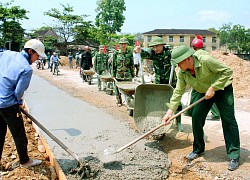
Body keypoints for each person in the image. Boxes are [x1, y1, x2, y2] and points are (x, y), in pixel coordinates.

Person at [162, 45, 240, 171]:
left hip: (222, 89)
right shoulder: (182, 72)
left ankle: (234, 155)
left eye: (178, 63)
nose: (177, 66)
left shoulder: (205, 61)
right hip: (203, 91)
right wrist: (169, 112)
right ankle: (198, 149)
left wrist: (213, 87)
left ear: (187, 59)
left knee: (228, 120)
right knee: (196, 116)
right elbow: (178, 91)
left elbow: (228, 71)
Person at [0, 39, 46, 168]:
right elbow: (19, 92)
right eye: (37, 55)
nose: (37, 59)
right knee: (19, 134)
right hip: (8, 106)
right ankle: (25, 161)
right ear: (30, 51)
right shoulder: (26, 69)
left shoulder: (7, 54)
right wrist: (19, 102)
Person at [135, 36, 183, 131]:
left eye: (157, 46)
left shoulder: (169, 53)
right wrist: (140, 50)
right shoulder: (153, 53)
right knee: (160, 101)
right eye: (153, 47)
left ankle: (178, 121)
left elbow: (179, 56)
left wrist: (178, 50)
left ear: (162, 45)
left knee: (177, 102)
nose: (155, 49)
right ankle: (161, 117)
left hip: (171, 82)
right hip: (159, 83)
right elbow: (145, 54)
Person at [186, 37, 221, 120]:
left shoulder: (195, 54)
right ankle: (190, 111)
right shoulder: (207, 53)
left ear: (194, 47)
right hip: (209, 77)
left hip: (201, 78)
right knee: (196, 93)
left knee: (207, 95)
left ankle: (216, 114)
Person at [112, 37, 135, 107]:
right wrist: (113, 75)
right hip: (118, 75)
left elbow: (132, 65)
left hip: (128, 75)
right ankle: (119, 101)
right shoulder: (116, 54)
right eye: (122, 44)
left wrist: (133, 74)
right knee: (117, 89)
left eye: (125, 44)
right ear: (120, 45)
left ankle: (129, 101)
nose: (123, 45)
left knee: (128, 90)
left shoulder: (130, 53)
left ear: (126, 44)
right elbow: (113, 65)